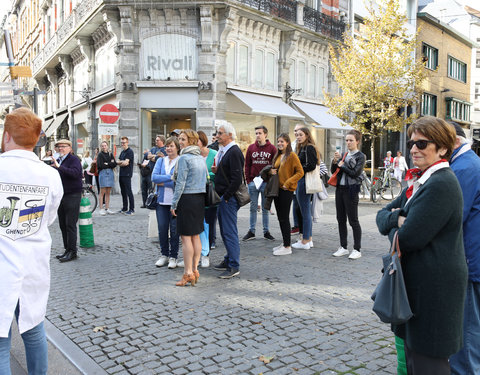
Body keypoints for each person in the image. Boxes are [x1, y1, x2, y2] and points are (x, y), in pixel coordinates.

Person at [376, 116, 467, 375]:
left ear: (442, 148)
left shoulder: (441, 183)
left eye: (422, 143)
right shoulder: (422, 180)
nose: (414, 149)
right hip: (420, 286)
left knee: (429, 364)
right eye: (412, 143)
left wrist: (397, 224)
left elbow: (408, 238)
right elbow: (382, 214)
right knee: (415, 360)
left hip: (435, 290)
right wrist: (397, 219)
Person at [0, 108, 63, 375]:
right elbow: (48, 218)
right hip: (32, 265)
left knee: (1, 342)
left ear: (5, 136)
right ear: (36, 140)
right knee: (34, 329)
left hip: (2, 266)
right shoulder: (50, 175)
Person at [448, 122, 480, 375]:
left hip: (469, 260)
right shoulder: (466, 163)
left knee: (467, 333)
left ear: (455, 142)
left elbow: (452, 217)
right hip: (471, 257)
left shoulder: (464, 166)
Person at [170, 130, 207, 286]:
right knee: (196, 236)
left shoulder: (184, 158)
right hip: (199, 199)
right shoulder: (200, 158)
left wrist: (174, 203)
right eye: (179, 139)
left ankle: (187, 273)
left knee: (186, 238)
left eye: (183, 139)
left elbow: (180, 183)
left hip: (187, 198)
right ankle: (195, 269)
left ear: (191, 141)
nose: (181, 142)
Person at [211, 122, 244, 279]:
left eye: (220, 133)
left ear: (230, 135)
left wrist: (227, 197)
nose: (217, 136)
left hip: (227, 198)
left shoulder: (234, 151)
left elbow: (237, 178)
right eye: (217, 133)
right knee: (225, 230)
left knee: (229, 231)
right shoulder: (225, 151)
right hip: (223, 196)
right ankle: (228, 259)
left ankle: (234, 265)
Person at [331, 130, 365, 260]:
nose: (348, 142)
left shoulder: (360, 156)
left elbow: (355, 173)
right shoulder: (344, 155)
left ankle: (357, 249)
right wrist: (334, 162)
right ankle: (343, 247)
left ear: (357, 141)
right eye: (346, 140)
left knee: (353, 220)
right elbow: (334, 172)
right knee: (340, 219)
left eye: (351, 140)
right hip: (340, 189)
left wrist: (342, 165)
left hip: (352, 189)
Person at [270, 133, 304, 256]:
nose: (279, 144)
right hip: (277, 190)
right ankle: (285, 242)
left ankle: (287, 246)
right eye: (278, 141)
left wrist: (289, 182)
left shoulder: (292, 156)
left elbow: (300, 172)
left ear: (288, 143)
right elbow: (276, 170)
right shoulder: (278, 155)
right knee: (280, 218)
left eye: (282, 142)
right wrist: (271, 171)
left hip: (286, 190)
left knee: (284, 218)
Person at [243, 125, 277, 242]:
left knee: (265, 208)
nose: (258, 135)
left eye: (260, 133)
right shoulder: (251, 148)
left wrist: (271, 180)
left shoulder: (272, 149)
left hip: (266, 183)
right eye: (256, 133)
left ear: (265, 134)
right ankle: (251, 231)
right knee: (252, 208)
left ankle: (266, 231)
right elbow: (247, 164)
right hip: (253, 182)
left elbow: (275, 165)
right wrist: (248, 180)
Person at [52, 139, 84, 262]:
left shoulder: (73, 160)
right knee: (62, 224)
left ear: (70, 148)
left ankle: (72, 251)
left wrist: (59, 167)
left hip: (72, 195)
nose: (61, 148)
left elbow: (75, 173)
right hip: (62, 195)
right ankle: (67, 249)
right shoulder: (59, 160)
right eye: (58, 146)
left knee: (70, 224)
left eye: (63, 146)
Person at [151, 137, 180, 269]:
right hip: (161, 201)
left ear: (177, 147)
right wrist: (171, 178)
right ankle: (164, 254)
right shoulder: (161, 161)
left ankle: (173, 256)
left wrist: (163, 182)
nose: (168, 148)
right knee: (162, 229)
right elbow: (154, 177)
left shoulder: (181, 161)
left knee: (174, 230)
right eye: (167, 146)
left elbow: (179, 181)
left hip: (175, 202)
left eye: (171, 146)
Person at [291, 127, 318, 250]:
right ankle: (309, 239)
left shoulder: (309, 147)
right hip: (302, 181)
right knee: (305, 211)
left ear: (307, 135)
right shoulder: (302, 147)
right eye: (296, 134)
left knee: (305, 212)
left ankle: (305, 240)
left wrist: (298, 170)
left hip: (304, 181)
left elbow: (311, 165)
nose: (298, 137)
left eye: (300, 134)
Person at [198, 130, 218, 268]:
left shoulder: (214, 154)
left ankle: (206, 254)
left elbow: (218, 172)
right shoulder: (192, 155)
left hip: (210, 195)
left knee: (209, 225)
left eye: (197, 141)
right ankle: (196, 254)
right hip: (196, 195)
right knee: (196, 226)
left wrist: (206, 174)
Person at [140, 135, 165, 208]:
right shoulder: (153, 148)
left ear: (162, 141)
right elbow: (148, 156)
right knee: (144, 189)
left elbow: (158, 158)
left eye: (158, 140)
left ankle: (152, 203)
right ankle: (145, 203)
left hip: (156, 173)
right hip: (148, 172)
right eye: (156, 140)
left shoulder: (164, 149)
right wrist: (153, 156)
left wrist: (154, 157)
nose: (156, 141)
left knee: (152, 190)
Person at [290, 123, 304, 234]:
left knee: (302, 207)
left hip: (303, 180)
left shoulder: (308, 146)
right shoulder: (292, 144)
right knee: (295, 204)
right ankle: (297, 226)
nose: (296, 134)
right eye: (295, 131)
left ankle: (304, 230)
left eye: (299, 131)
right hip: (293, 179)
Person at [97, 141, 117, 215]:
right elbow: (101, 165)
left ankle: (107, 208)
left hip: (110, 173)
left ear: (107, 146)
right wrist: (110, 164)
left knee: (108, 192)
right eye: (102, 146)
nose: (104, 147)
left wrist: (107, 163)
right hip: (103, 173)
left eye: (105, 145)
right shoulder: (100, 155)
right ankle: (101, 208)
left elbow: (114, 164)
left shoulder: (110, 154)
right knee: (102, 192)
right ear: (101, 147)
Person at [117, 137, 135, 215]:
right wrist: (121, 162)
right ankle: (125, 208)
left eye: (124, 143)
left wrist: (120, 162)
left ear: (127, 143)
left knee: (129, 191)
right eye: (121, 143)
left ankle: (132, 209)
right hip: (121, 174)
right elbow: (117, 161)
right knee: (123, 192)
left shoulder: (130, 152)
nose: (122, 144)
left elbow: (126, 163)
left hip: (127, 174)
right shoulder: (122, 152)